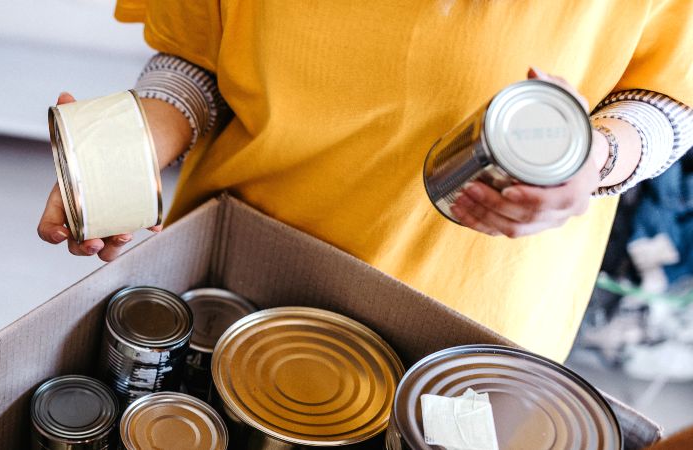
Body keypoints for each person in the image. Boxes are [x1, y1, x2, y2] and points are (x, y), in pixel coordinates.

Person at [37, 1, 693, 361]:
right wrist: (121, 156)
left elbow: (668, 98)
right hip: (232, 276)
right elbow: (196, 56)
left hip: (466, 310)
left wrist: (597, 161)